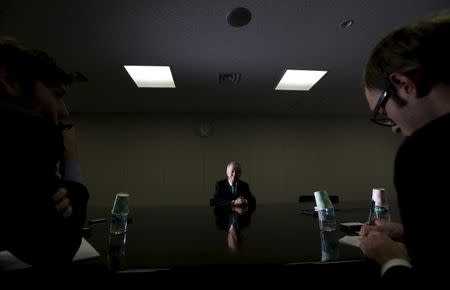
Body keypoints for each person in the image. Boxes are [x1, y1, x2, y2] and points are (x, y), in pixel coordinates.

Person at [359, 12, 450, 283]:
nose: (394, 127)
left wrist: (391, 259)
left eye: (382, 111)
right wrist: (413, 231)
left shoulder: (424, 153)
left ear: (403, 84)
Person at [0, 36, 89, 268]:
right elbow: (57, 249)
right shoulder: (31, 129)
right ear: (9, 80)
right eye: (57, 94)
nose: (65, 111)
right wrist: (71, 154)